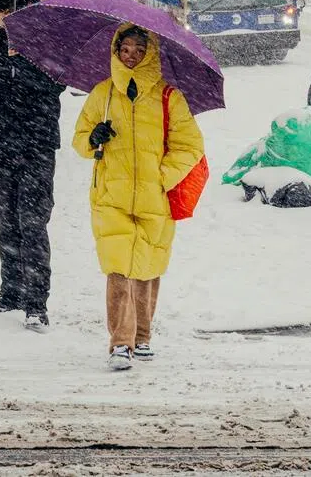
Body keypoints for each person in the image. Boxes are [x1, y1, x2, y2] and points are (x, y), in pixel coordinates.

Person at [73, 24, 205, 371]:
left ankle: (143, 337)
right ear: (115, 52)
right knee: (118, 267)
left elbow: (189, 146)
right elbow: (80, 140)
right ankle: (120, 342)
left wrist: (162, 178)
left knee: (147, 267)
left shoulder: (168, 97)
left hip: (153, 197)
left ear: (150, 53)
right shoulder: (102, 94)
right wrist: (93, 139)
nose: (130, 55)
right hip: (111, 195)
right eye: (124, 48)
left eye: (137, 49)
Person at [0, 0, 63, 331]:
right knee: (4, 218)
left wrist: (21, 66)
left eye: (10, 11)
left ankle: (37, 301)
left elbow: (55, 86)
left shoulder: (45, 42)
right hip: (1, 144)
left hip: (36, 144)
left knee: (32, 221)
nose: (4, 17)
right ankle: (11, 290)